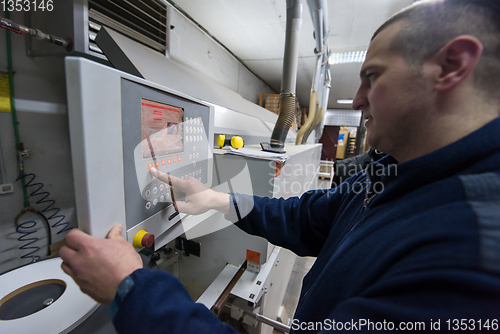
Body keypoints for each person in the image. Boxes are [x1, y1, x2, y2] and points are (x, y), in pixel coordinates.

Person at [60, 0, 500, 332]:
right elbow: (310, 218)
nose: (359, 99)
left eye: (372, 76)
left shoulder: (471, 260)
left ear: (452, 66)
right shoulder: (394, 166)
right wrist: (217, 198)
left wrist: (131, 289)